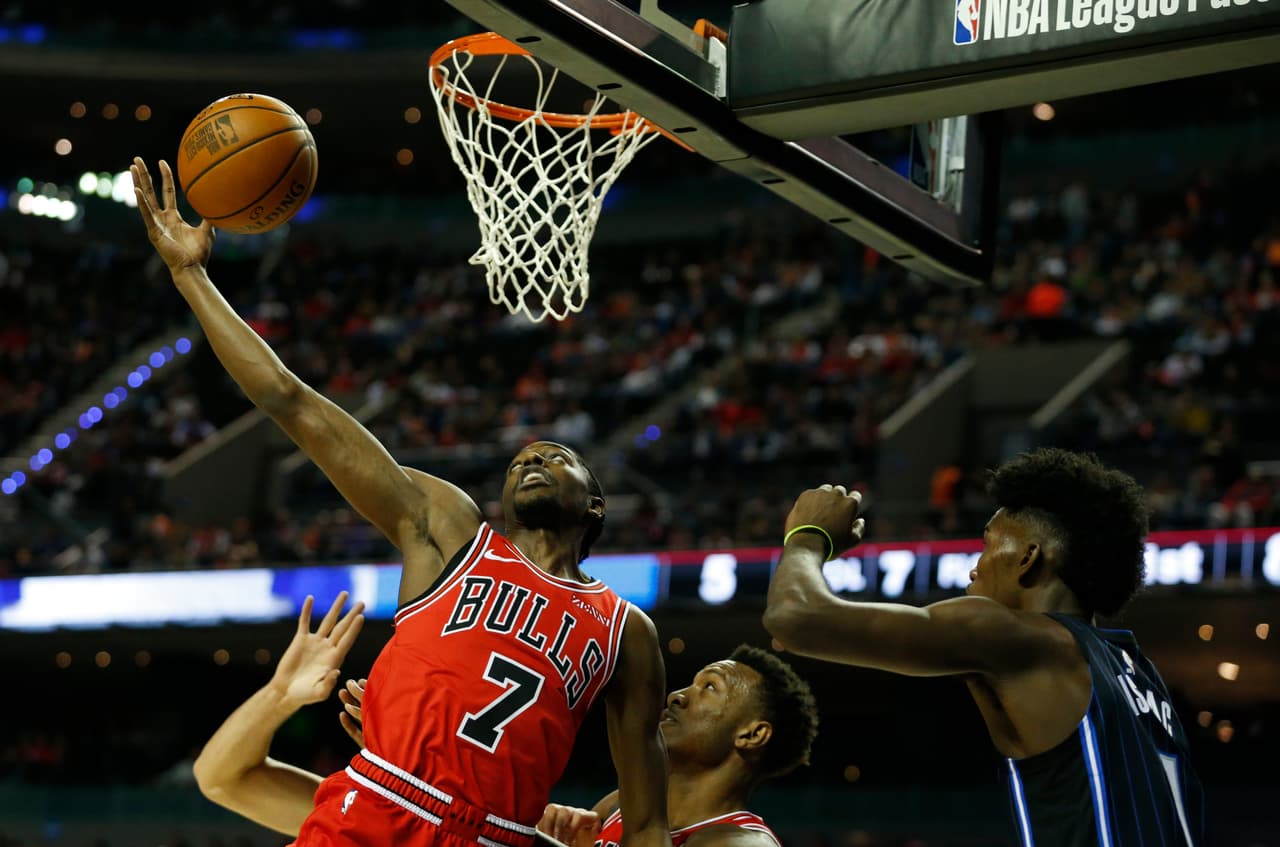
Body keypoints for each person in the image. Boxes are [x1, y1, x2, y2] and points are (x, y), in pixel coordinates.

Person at [131, 158, 671, 847]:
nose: (530, 461)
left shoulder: (627, 631)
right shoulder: (449, 532)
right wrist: (191, 276)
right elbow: (291, 401)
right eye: (518, 461)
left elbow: (647, 821)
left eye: (554, 456)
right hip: (376, 803)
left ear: (595, 504)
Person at [763, 448, 1206, 847]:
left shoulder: (1023, 638)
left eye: (987, 544)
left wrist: (807, 536)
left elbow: (796, 617)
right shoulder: (1142, 677)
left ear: (1028, 557)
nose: (974, 569)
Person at [199, 599, 814, 847]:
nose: (678, 695)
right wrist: (280, 696)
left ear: (752, 733)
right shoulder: (614, 810)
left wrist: (514, 831)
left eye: (709, 689)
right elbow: (224, 779)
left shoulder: (742, 845)